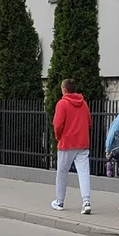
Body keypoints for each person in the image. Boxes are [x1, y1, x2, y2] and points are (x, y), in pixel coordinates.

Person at [51, 78, 93, 215]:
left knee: (62, 172)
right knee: (84, 172)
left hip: (66, 143)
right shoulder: (84, 104)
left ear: (64, 89)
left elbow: (57, 125)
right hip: (82, 142)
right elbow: (88, 122)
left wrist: (59, 137)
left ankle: (60, 201)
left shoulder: (62, 104)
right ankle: (86, 202)